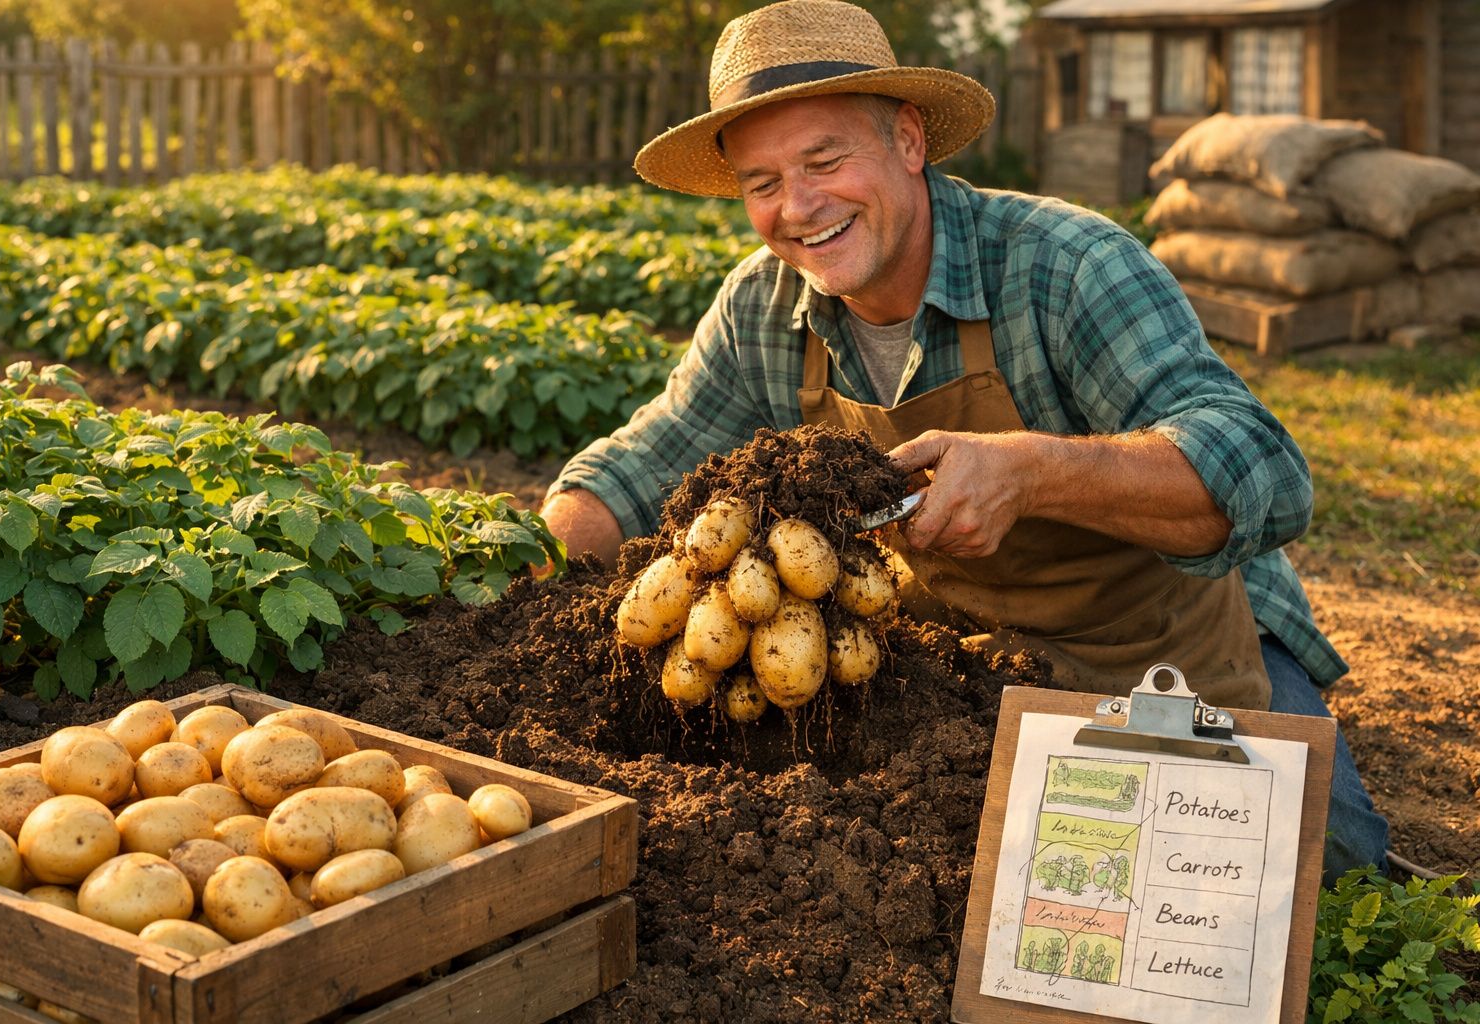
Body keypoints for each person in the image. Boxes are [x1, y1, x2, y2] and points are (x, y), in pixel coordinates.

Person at [539, 0, 1386, 879]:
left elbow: (1263, 471)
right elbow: (652, 456)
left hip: (1153, 652)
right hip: (958, 666)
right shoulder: (765, 306)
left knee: (1323, 866)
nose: (798, 207)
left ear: (909, 140)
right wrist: (545, 545)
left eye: (826, 160)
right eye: (762, 183)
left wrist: (1034, 472)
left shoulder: (1066, 266)